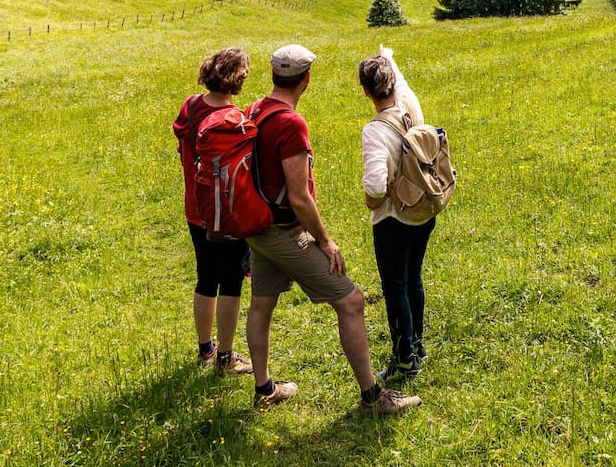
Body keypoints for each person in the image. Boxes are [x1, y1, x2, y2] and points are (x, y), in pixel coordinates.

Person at [243, 44, 421, 416]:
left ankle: (264, 389)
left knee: (261, 304)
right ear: (306, 78)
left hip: (257, 227)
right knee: (351, 301)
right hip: (284, 231)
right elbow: (300, 197)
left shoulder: (256, 109)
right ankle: (373, 398)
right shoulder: (291, 123)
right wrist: (325, 241)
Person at [173, 47, 254, 374]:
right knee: (231, 282)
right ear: (238, 79)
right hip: (230, 214)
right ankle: (227, 357)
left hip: (197, 207)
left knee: (205, 277)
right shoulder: (236, 120)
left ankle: (206, 349)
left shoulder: (190, 107)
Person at [358, 45, 435, 383]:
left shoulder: (375, 131)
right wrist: (387, 57)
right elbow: (400, 81)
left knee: (395, 287)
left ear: (365, 92)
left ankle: (404, 360)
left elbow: (375, 186)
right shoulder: (408, 104)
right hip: (424, 208)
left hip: (394, 219)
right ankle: (417, 346)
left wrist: (372, 203)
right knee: (413, 278)